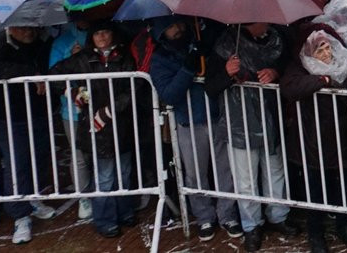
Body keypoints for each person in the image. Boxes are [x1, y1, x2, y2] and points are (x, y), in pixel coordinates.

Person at [52, 23, 155, 240]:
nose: (102, 36)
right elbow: (54, 75)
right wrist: (75, 93)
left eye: (105, 32)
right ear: (92, 36)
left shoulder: (124, 57)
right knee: (105, 176)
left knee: (124, 172)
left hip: (122, 123)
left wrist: (109, 111)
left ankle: (125, 212)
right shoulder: (81, 58)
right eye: (97, 32)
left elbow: (133, 87)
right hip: (96, 129)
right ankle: (105, 220)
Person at [147, 17, 240, 241]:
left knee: (225, 169)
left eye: (178, 24)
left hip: (216, 115)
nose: (178, 29)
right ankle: (204, 216)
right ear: (161, 33)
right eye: (170, 27)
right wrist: (188, 67)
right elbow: (169, 94)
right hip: (189, 120)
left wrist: (204, 53)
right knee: (195, 173)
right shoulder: (160, 59)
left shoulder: (201, 42)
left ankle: (227, 213)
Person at [210, 21, 296, 250]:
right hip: (240, 121)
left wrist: (275, 71)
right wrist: (227, 73)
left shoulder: (278, 39)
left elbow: (289, 65)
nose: (266, 23)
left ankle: (279, 215)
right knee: (245, 178)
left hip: (270, 116)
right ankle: (251, 225)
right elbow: (210, 85)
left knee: (274, 170)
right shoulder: (226, 44)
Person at [282, 29, 347, 253]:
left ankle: (344, 226)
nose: (325, 52)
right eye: (319, 48)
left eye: (327, 46)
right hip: (313, 139)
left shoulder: (345, 64)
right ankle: (315, 233)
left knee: (344, 186)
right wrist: (322, 80)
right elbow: (290, 88)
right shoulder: (299, 67)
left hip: (342, 137)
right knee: (315, 190)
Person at [0, 19, 62, 244]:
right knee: (17, 163)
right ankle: (20, 215)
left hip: (37, 110)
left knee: (39, 156)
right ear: (11, 28)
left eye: (31, 27)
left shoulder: (41, 40)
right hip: (8, 115)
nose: (28, 32)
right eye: (23, 28)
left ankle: (33, 198)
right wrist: (27, 72)